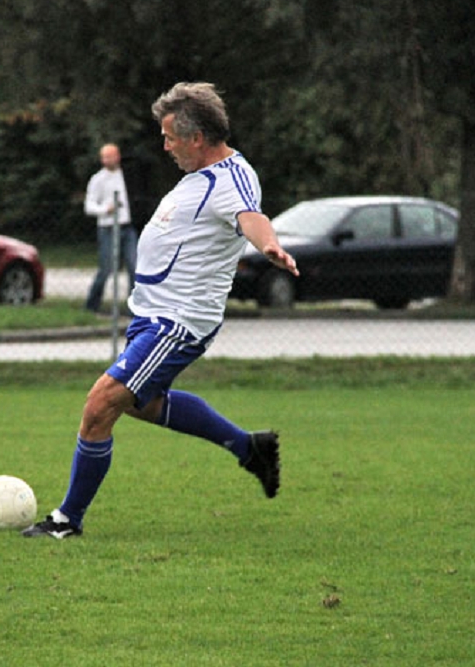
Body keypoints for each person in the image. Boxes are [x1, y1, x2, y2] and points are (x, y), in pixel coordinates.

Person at [23, 83, 299, 539]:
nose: (165, 146)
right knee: (142, 403)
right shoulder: (202, 174)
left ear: (197, 137)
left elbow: (251, 218)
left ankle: (67, 520)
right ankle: (249, 448)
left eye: (171, 137)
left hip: (178, 322)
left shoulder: (230, 179)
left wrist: (269, 245)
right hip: (153, 316)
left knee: (100, 405)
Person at [84, 143, 138, 313]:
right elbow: (89, 206)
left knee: (134, 266)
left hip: (127, 227)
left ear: (118, 156)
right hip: (108, 228)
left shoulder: (127, 176)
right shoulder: (98, 179)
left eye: (110, 156)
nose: (107, 160)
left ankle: (134, 309)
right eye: (104, 157)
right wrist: (105, 209)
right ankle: (91, 305)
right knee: (106, 268)